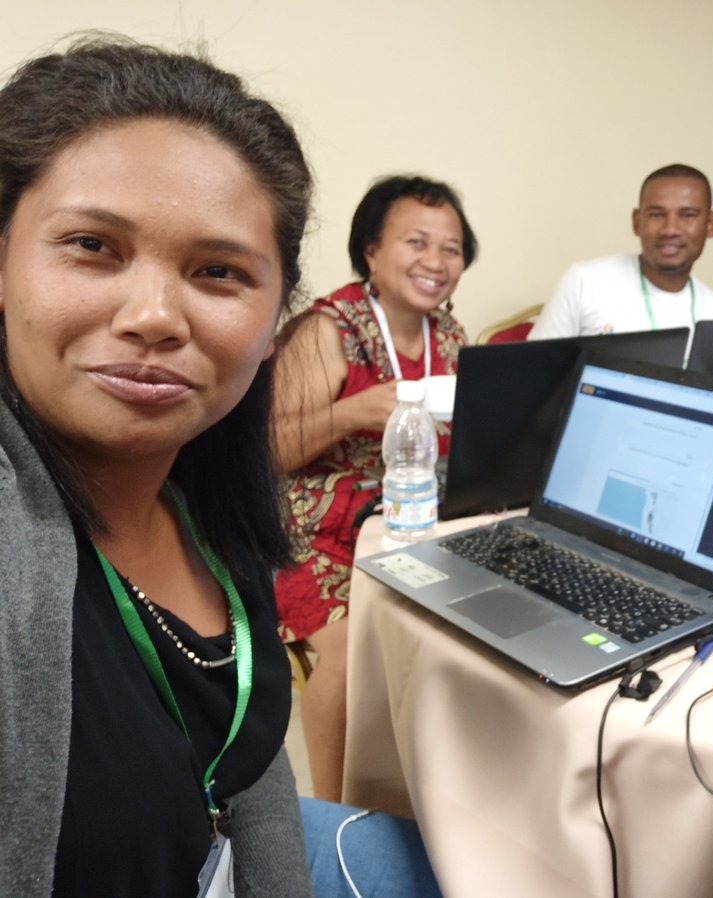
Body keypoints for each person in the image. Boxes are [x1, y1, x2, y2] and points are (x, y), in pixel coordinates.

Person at [0, 37, 316, 895]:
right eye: (92, 246)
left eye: (218, 271)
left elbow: (245, 767)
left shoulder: (205, 506)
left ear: (272, 316)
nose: (153, 317)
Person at [272, 174, 475, 801]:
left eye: (452, 248)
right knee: (359, 651)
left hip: (419, 518)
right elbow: (271, 449)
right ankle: (334, 818)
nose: (437, 262)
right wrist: (355, 411)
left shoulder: (450, 334)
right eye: (418, 242)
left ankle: (440, 795)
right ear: (372, 251)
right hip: (315, 528)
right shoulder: (330, 328)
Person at [528, 163, 713, 338]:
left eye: (688, 215)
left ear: (711, 224)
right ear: (637, 222)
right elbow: (534, 373)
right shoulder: (584, 282)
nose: (670, 229)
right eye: (656, 215)